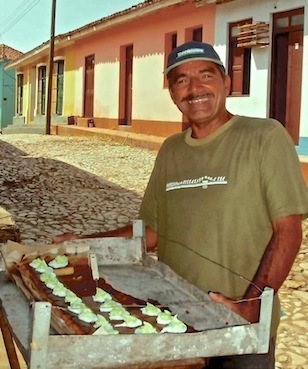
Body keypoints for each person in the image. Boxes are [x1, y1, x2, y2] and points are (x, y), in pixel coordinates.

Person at [53, 41, 308, 369]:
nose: (195, 88)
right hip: (177, 322)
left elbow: (287, 229)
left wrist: (254, 305)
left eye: (205, 75)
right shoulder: (171, 150)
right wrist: (83, 244)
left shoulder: (264, 136)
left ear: (227, 82)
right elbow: (152, 233)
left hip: (241, 327)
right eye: (181, 80)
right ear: (172, 93)